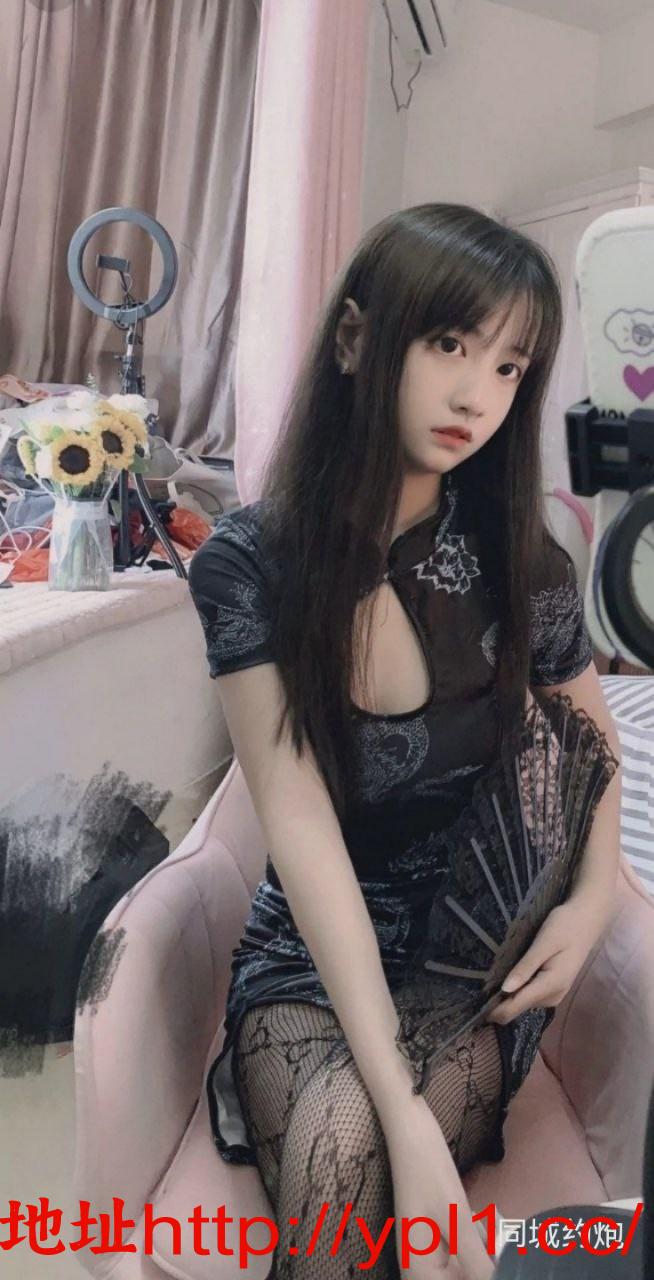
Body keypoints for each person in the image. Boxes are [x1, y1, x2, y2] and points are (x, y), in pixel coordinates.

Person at [187, 204, 616, 1279]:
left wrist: (593, 898)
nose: (478, 395)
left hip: (470, 967)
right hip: (313, 955)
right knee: (351, 1146)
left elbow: (590, 748)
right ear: (355, 340)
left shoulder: (523, 559)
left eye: (510, 367)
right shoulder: (248, 565)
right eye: (450, 345)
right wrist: (408, 1117)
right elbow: (298, 823)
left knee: (356, 1168)